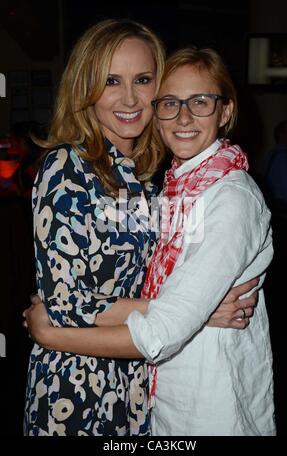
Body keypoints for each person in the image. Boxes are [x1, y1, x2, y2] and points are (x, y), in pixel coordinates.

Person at [23, 20, 260, 437]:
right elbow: (65, 305)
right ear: (85, 88)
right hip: (78, 382)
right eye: (111, 80)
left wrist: (185, 311)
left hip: (136, 382)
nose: (130, 98)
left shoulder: (147, 179)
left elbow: (133, 284)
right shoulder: (67, 167)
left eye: (144, 80)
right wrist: (196, 314)